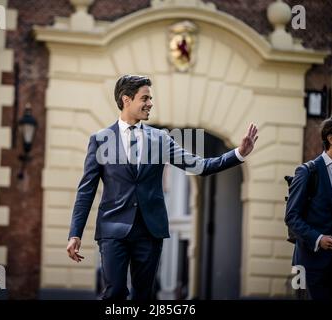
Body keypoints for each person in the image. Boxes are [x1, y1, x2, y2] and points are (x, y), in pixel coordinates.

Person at [66, 74, 258, 300]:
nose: (150, 103)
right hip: (112, 230)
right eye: (145, 98)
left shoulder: (161, 139)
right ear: (126, 100)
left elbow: (199, 166)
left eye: (150, 98)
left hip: (149, 231)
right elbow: (86, 190)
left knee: (143, 295)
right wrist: (75, 233)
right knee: (115, 292)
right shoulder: (100, 139)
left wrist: (238, 154)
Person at [285, 116, 332, 300]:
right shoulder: (307, 172)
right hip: (306, 264)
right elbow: (292, 217)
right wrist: (318, 239)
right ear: (331, 139)